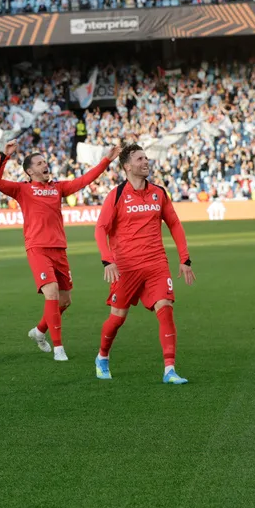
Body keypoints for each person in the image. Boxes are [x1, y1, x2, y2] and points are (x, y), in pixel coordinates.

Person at [0, 140, 118, 362]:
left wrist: (107, 160)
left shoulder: (57, 188)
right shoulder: (22, 189)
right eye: (39, 163)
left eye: (45, 162)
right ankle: (59, 348)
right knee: (51, 293)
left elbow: (84, 180)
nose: (45, 165)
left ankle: (40, 331)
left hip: (59, 249)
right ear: (30, 171)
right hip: (37, 248)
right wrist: (4, 156)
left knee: (65, 300)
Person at [93, 144, 195, 384]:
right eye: (140, 159)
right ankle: (102, 356)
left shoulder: (158, 193)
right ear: (127, 166)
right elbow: (100, 229)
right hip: (126, 267)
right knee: (117, 318)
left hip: (156, 263)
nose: (146, 162)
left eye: (146, 158)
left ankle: (169, 370)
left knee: (166, 309)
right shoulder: (117, 195)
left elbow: (175, 225)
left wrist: (184, 259)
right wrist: (107, 260)